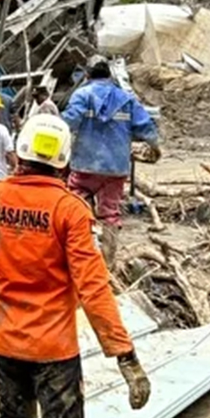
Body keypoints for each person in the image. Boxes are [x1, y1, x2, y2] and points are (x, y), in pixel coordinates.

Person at [0, 114, 151, 418]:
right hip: (54, 350)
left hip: (4, 345)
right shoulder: (70, 211)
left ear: (20, 152)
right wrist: (125, 356)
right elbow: (93, 288)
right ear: (64, 161)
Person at [60, 55, 160, 264]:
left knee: (78, 208)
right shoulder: (125, 98)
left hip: (85, 165)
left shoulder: (82, 95)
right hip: (115, 167)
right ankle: (108, 263)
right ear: (109, 75)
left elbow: (69, 121)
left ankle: (81, 258)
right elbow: (146, 127)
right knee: (110, 214)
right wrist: (155, 147)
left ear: (87, 75)